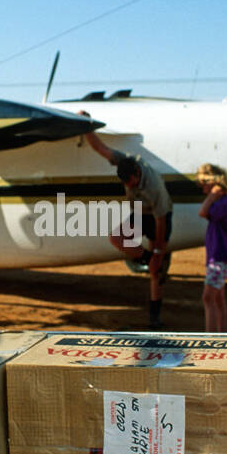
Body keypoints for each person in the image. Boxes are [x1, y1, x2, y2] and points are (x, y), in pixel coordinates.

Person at [81, 116, 173, 329]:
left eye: (131, 183)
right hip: (141, 213)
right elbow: (100, 148)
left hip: (160, 218)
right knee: (116, 237)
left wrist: (159, 253)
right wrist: (86, 127)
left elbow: (160, 221)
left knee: (156, 273)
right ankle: (147, 258)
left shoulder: (153, 187)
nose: (129, 187)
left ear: (137, 174)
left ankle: (154, 316)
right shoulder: (124, 163)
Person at [197, 163, 227, 333]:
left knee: (208, 297)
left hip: (220, 257)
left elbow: (202, 212)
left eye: (206, 186)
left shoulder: (223, 204)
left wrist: (211, 196)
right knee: (218, 298)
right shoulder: (226, 203)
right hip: (219, 256)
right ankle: (221, 333)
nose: (204, 191)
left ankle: (211, 337)